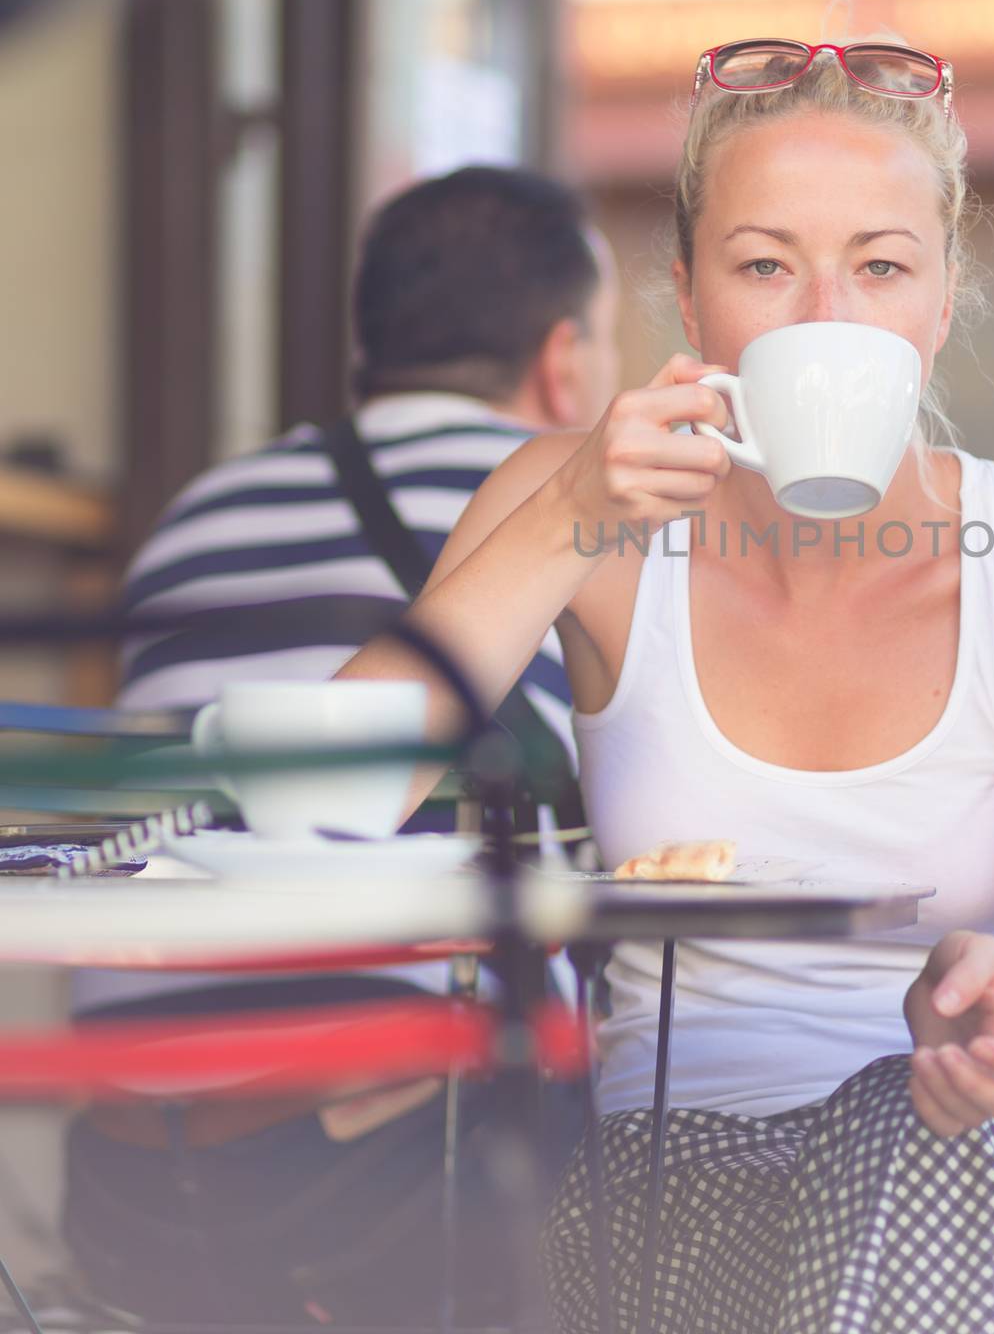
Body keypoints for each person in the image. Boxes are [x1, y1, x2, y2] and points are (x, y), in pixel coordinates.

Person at [338, 38, 994, 1333]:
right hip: (678, 1206)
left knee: (908, 1138)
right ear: (690, 307)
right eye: (766, 265)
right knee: (884, 1176)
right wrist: (570, 517)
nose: (826, 319)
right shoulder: (576, 505)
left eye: (880, 266)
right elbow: (320, 796)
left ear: (943, 298)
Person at [60, 165, 620, 1329]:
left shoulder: (198, 512)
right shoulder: (569, 514)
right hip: (408, 1182)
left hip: (123, 1179)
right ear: (564, 358)